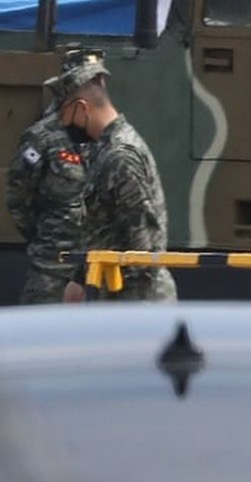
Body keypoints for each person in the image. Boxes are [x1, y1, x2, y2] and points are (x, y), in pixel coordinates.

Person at [57, 49, 177, 301]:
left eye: (63, 114)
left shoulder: (121, 156)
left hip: (137, 301)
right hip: (116, 297)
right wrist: (80, 279)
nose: (62, 124)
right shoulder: (104, 151)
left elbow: (144, 249)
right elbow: (105, 229)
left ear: (81, 108)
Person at [4, 53, 104, 304]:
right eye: (90, 83)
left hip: (98, 264)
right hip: (53, 266)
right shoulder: (43, 137)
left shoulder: (106, 135)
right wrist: (45, 237)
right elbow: (18, 196)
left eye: (99, 82)